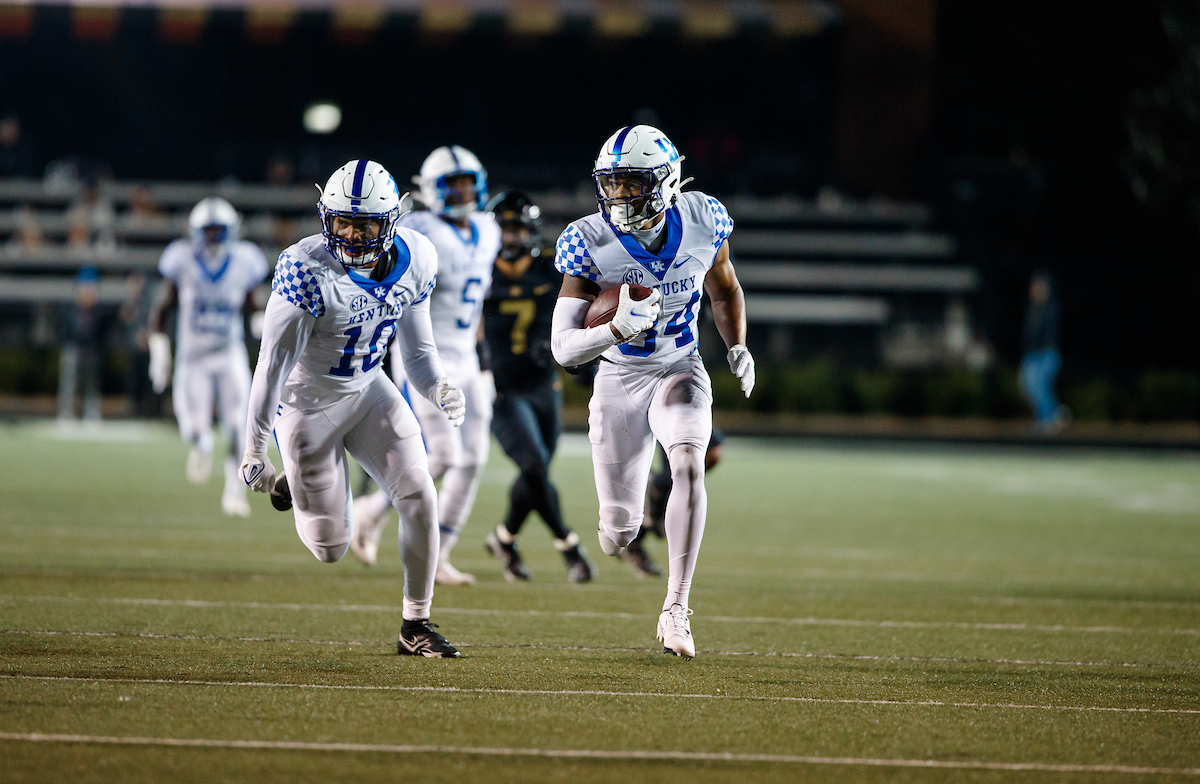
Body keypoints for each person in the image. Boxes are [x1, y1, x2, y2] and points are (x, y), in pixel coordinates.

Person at [241, 159, 464, 658]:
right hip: (306, 407)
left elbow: (418, 353)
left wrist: (438, 387)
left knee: (420, 494)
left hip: (367, 391)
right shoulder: (305, 270)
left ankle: (415, 624)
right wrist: (254, 448)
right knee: (330, 548)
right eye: (341, 222)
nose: (351, 235)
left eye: (363, 225)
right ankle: (286, 486)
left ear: (391, 221)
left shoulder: (418, 258)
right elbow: (270, 367)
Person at [550, 125, 755, 660]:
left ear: (665, 183)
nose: (619, 195)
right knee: (616, 534)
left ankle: (676, 607)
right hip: (618, 378)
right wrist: (615, 329)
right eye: (612, 183)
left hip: (680, 367)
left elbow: (725, 289)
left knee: (688, 462)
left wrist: (737, 346)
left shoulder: (704, 219)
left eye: (632, 183)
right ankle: (626, 528)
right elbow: (563, 349)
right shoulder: (588, 240)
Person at [351, 146, 501, 586]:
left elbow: (477, 304)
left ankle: (440, 554)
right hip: (426, 357)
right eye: (451, 185)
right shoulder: (418, 230)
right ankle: (371, 512)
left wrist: (483, 362)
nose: (461, 192)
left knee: (473, 460)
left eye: (467, 183)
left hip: (467, 357)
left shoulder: (488, 230)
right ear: (431, 188)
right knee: (443, 455)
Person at [478, 190, 595, 583]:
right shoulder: (478, 269)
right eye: (505, 228)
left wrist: (573, 346)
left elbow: (579, 308)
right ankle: (569, 545)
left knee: (536, 473)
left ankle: (504, 539)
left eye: (517, 228)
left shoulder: (549, 266)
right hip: (503, 389)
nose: (511, 236)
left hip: (545, 385)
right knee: (534, 466)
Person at [148, 197, 268, 517]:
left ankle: (234, 493)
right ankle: (202, 445)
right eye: (209, 230)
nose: (214, 236)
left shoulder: (243, 261)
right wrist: (160, 352)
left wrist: (261, 322)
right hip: (194, 357)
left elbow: (255, 302)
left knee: (239, 426)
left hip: (229, 353)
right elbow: (161, 309)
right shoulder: (182, 260)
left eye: (219, 229)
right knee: (191, 428)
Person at [623, 428, 726, 578]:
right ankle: (656, 498)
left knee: (693, 467)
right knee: (676, 474)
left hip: (689, 414)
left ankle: (657, 496)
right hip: (669, 416)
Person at [1019, 270, 1067, 432]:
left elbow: (1047, 335)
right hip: (1032, 355)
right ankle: (1051, 414)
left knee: (1040, 387)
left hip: (1045, 354)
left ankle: (1049, 417)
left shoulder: (1050, 308)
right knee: (1028, 387)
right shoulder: (1033, 309)